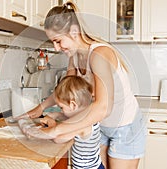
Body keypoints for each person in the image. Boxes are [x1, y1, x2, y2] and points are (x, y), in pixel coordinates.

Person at [17, 1, 146, 169]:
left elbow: (103, 108)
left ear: (74, 32)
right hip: (101, 126)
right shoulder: (74, 57)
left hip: (125, 127)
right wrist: (41, 108)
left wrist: (57, 130)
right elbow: (65, 91)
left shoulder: (99, 54)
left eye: (58, 41)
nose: (56, 48)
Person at [33, 75, 104, 169]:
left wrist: (51, 124)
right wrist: (54, 116)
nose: (61, 110)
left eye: (61, 107)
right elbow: (62, 116)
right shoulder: (88, 117)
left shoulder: (81, 125)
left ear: (73, 105)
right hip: (96, 165)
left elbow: (57, 139)